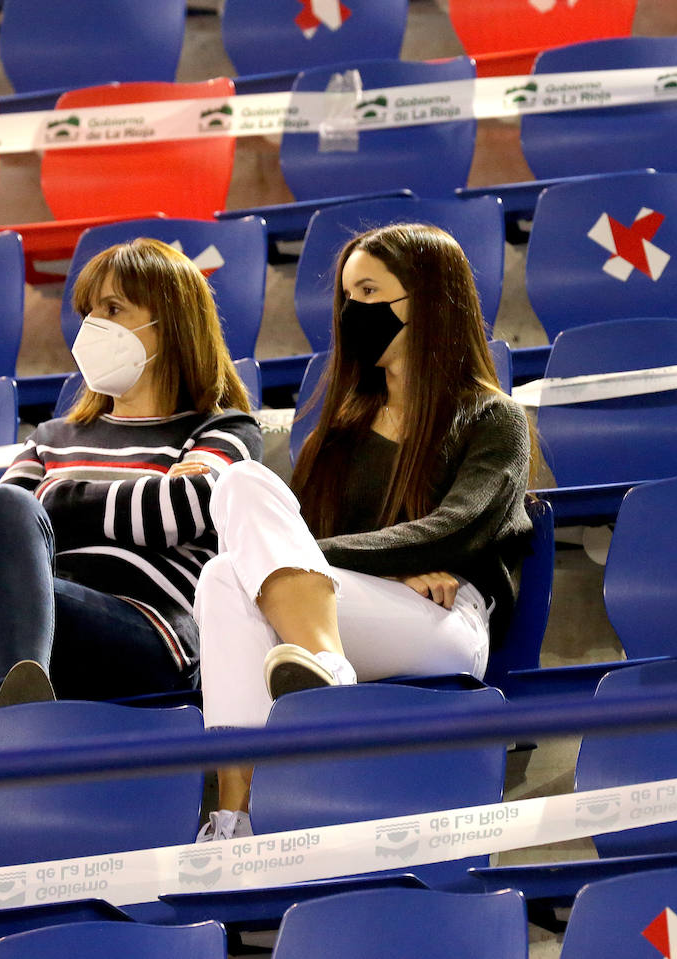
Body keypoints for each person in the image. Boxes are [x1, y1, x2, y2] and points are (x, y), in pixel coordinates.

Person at [0, 238, 262, 875]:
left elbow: (188, 507)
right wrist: (64, 508)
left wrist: (62, 500)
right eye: (88, 310)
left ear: (169, 320)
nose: (94, 327)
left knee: (5, 525)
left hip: (150, 636)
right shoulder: (51, 437)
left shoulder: (219, 428)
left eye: (115, 309)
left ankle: (17, 732)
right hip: (45, 626)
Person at [193, 222, 533, 840]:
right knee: (233, 529)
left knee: (248, 566)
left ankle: (323, 681)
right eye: (348, 299)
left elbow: (458, 531)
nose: (355, 312)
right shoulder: (340, 432)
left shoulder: (493, 416)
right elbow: (290, 553)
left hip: (443, 620)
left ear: (429, 300)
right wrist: (323, 563)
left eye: (372, 294)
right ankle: (234, 819)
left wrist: (298, 559)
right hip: (347, 622)